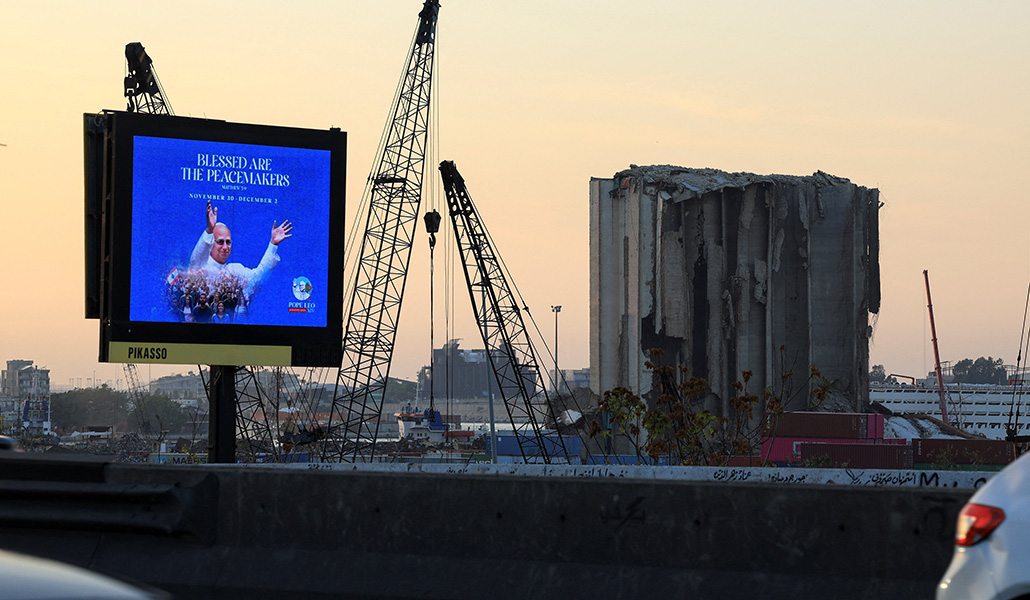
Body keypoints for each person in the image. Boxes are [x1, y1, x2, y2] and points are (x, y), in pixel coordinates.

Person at [189, 200, 292, 295]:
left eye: (228, 242)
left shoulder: (235, 270)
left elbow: (256, 278)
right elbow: (195, 261)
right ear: (211, 244)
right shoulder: (201, 268)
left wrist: (273, 244)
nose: (225, 247)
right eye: (220, 242)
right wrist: (210, 230)